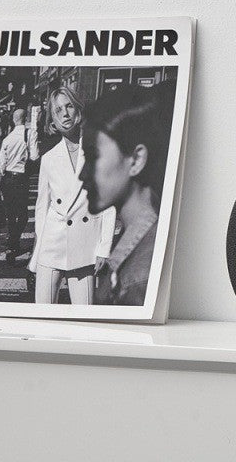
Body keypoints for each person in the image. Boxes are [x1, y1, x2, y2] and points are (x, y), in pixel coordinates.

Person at [80, 83, 174, 306]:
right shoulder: (138, 243)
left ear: (136, 160)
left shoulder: (140, 278)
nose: (82, 174)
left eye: (93, 157)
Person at [28, 86, 116, 304]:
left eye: (69, 107)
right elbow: (42, 208)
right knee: (44, 314)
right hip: (51, 244)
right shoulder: (49, 159)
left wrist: (104, 249)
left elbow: (109, 203)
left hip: (84, 246)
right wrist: (38, 249)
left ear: (78, 110)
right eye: (58, 110)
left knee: (83, 316)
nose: (65, 114)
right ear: (53, 121)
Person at [0, 108, 39, 265]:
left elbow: (1, 168)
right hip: (21, 179)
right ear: (25, 119)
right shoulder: (30, 134)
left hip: (7, 179)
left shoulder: (7, 139)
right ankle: (13, 243)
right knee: (22, 215)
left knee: (11, 214)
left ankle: (12, 244)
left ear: (14, 120)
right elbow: (35, 156)